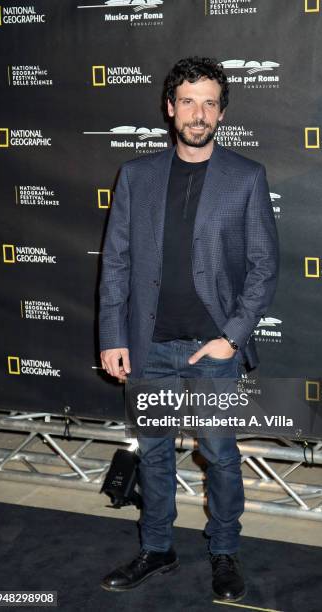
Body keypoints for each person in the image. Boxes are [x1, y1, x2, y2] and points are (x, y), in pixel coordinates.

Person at [98, 56, 279, 602]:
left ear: (221, 113)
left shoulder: (245, 177)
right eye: (188, 101)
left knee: (220, 453)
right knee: (152, 452)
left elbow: (264, 265)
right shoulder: (136, 176)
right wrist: (113, 335)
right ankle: (157, 548)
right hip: (148, 348)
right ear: (169, 107)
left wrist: (233, 335)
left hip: (213, 351)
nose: (197, 113)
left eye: (209, 102)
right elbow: (117, 262)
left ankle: (223, 552)